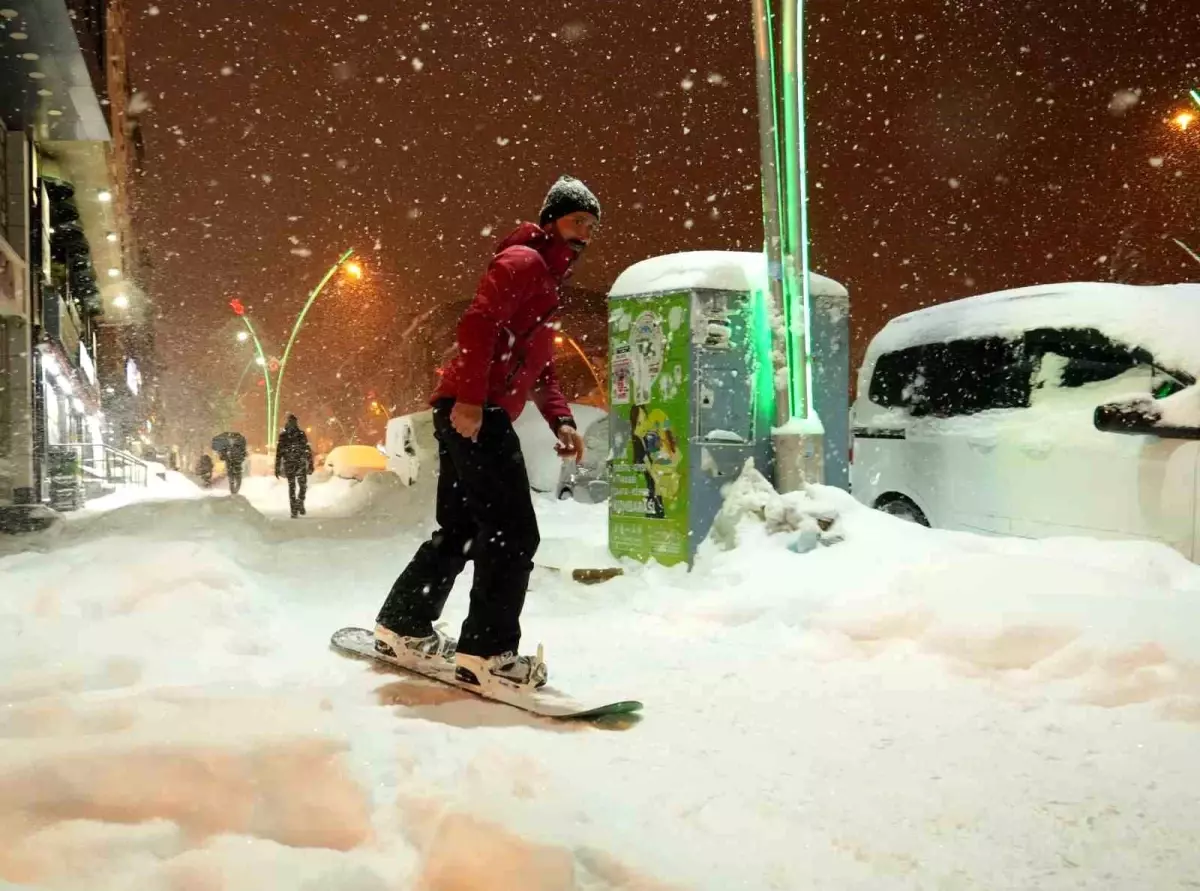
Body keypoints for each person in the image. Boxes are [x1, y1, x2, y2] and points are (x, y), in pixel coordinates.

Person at [373, 175, 598, 692]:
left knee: (464, 530)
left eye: (591, 225)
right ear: (550, 221)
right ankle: (488, 654)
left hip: (470, 408)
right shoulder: (524, 264)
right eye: (575, 220)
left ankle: (403, 624)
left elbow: (540, 369)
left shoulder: (546, 282)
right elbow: (478, 325)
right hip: (478, 411)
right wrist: (473, 400)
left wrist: (560, 419)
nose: (583, 233)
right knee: (513, 533)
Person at [275, 415, 313, 518]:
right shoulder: (293, 435)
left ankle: (296, 506)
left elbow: (307, 449)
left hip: (293, 463)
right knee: (299, 486)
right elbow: (307, 450)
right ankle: (297, 505)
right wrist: (310, 464)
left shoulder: (296, 435)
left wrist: (277, 467)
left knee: (296, 487)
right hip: (295, 463)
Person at [214, 431, 248, 495]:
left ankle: (233, 490)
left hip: (230, 463)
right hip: (237, 462)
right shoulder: (240, 443)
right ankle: (236, 490)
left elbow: (222, 456)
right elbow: (244, 453)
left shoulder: (226, 444)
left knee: (231, 477)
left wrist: (223, 455)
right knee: (238, 477)